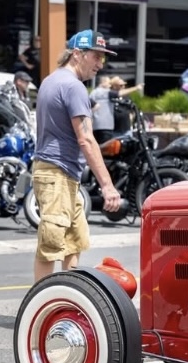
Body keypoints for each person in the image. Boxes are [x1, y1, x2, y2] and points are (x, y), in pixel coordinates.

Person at [32, 29, 121, 280]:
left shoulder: (52, 80)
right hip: (56, 174)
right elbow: (86, 139)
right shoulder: (74, 87)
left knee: (74, 241)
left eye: (103, 58)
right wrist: (107, 186)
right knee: (51, 245)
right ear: (77, 54)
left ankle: (67, 299)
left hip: (62, 174)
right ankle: (41, 309)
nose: (101, 64)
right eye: (96, 56)